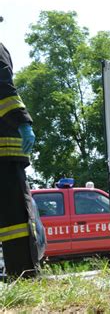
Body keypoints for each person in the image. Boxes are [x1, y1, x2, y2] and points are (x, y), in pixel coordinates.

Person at [0, 42, 40, 278]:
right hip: (5, 152)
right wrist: (23, 122)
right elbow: (3, 88)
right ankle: (24, 274)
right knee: (15, 220)